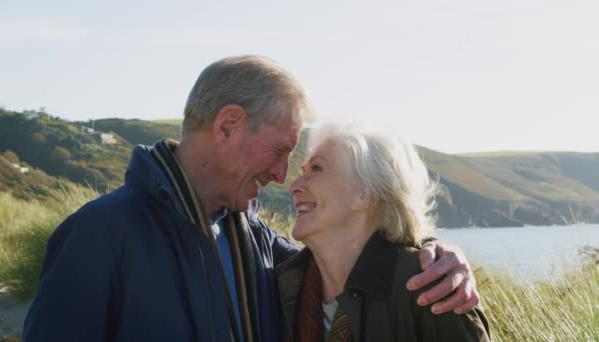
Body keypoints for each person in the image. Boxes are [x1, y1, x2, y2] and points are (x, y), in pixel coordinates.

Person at [24, 56, 480, 342]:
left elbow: (359, 254)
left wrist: (438, 254)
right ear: (228, 125)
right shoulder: (98, 234)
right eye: (281, 151)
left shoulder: (266, 248)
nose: (283, 176)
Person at [276, 122, 491, 341]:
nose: (294, 186)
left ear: (365, 193)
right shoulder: (284, 284)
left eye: (317, 169)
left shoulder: (432, 285)